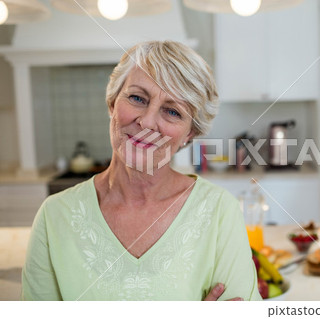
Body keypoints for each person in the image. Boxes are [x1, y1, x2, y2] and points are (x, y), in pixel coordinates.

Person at [21, 41, 261, 301]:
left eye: (172, 112)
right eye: (137, 98)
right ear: (112, 103)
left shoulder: (218, 211)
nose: (146, 121)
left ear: (188, 134)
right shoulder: (54, 217)